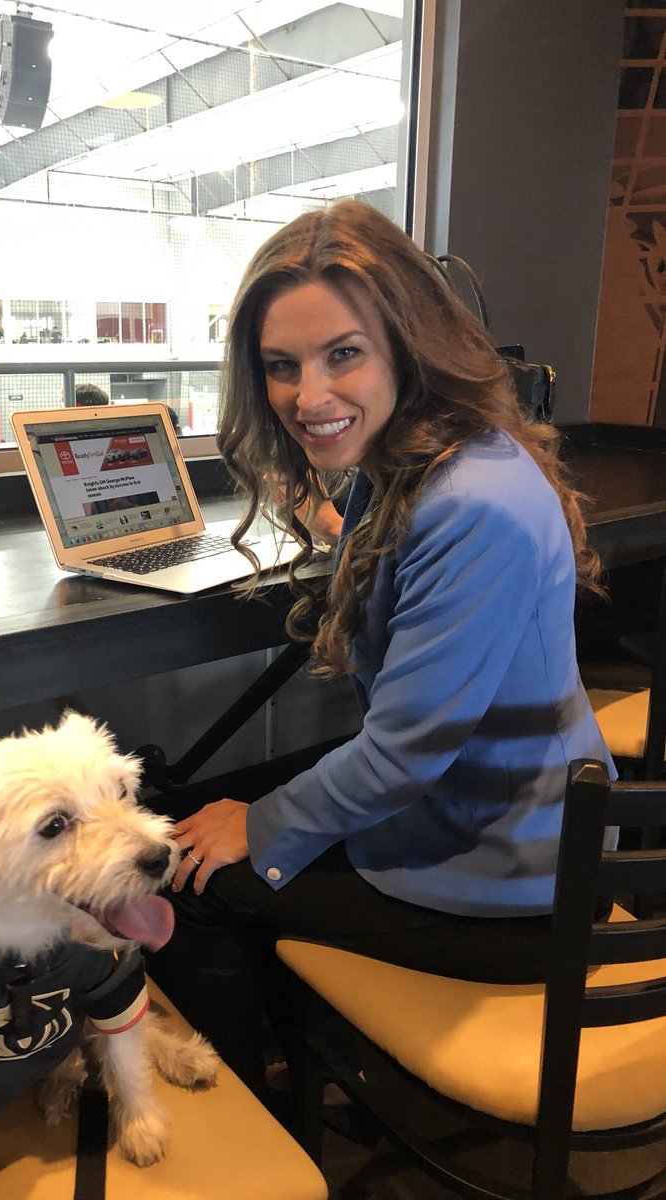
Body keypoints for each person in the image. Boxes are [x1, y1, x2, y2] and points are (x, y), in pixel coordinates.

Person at [146, 199, 615, 1102]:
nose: (307, 396)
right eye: (282, 367)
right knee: (225, 817)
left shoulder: (468, 503)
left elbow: (401, 755)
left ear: (409, 340)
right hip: (518, 825)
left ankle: (262, 1133)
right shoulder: (441, 459)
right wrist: (340, 526)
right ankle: (298, 1062)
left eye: (342, 355)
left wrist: (263, 825)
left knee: (190, 871)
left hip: (521, 890)